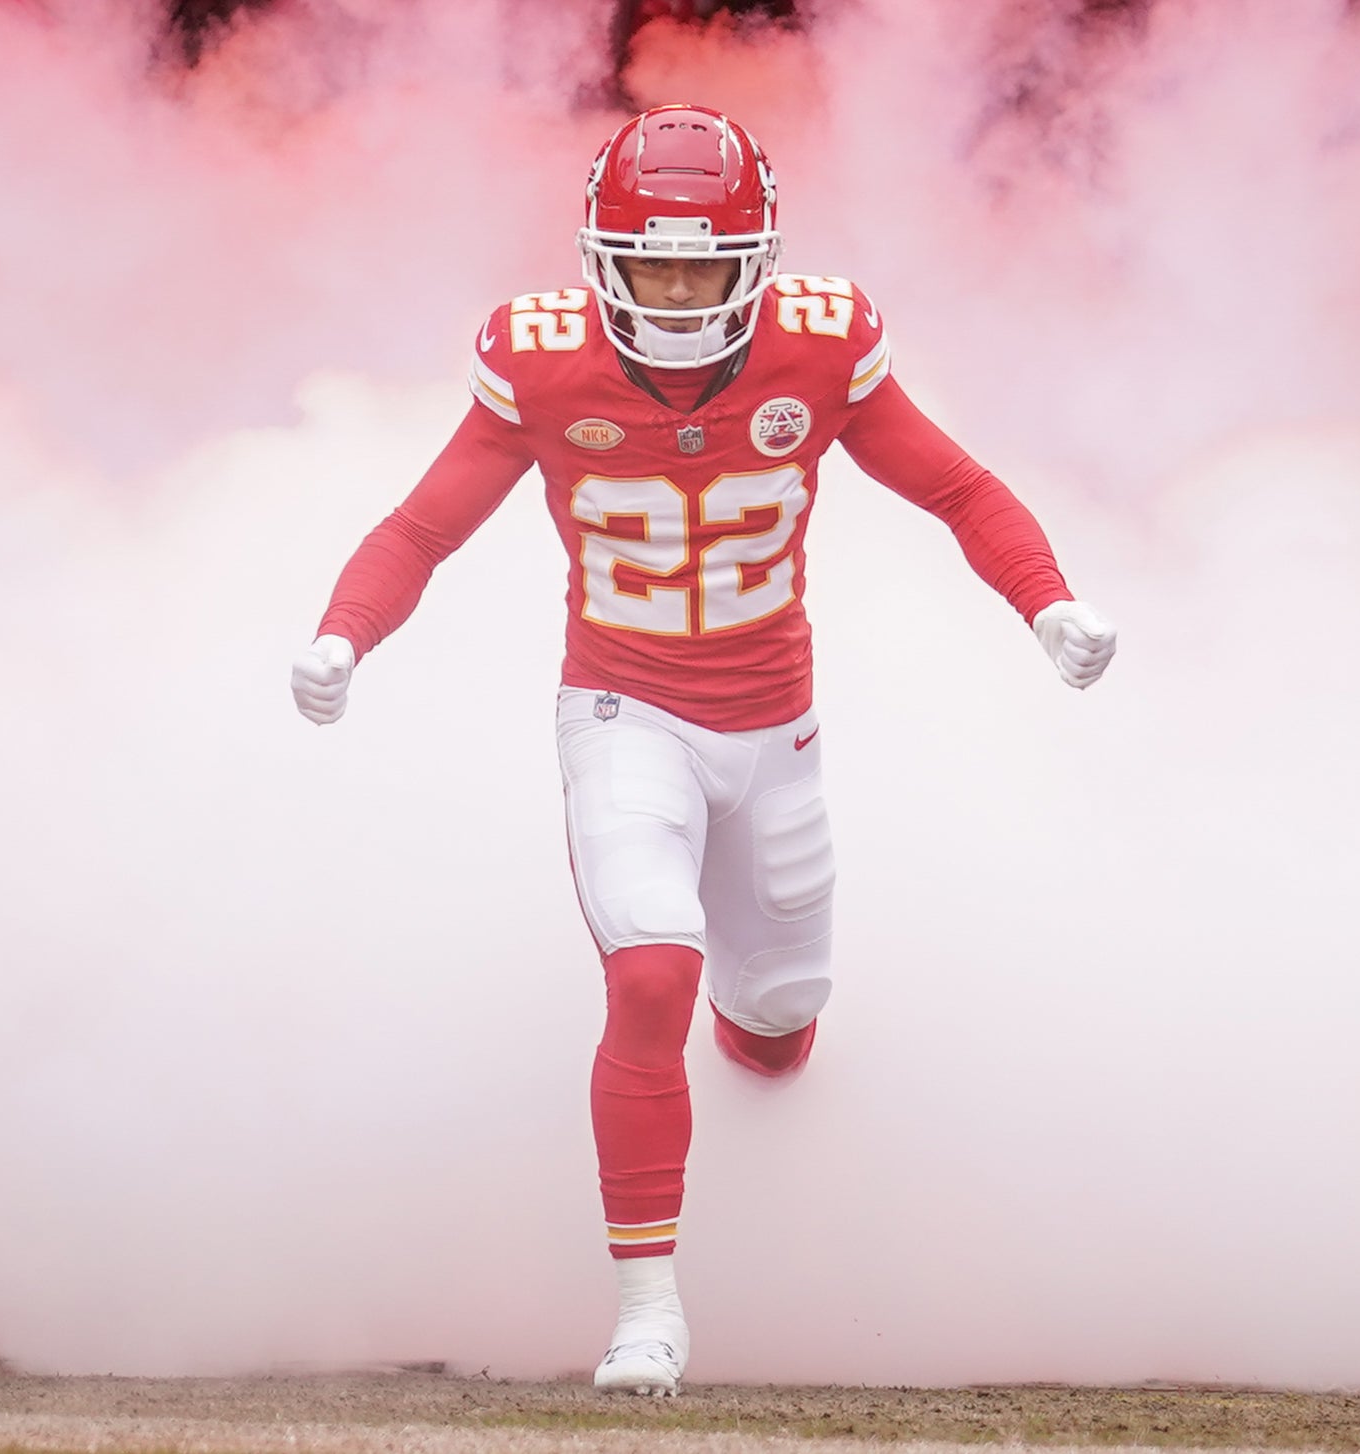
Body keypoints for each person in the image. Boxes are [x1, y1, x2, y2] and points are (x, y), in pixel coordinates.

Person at [290, 102, 1115, 1397]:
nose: (675, 292)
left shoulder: (822, 347)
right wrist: (344, 636)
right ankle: (646, 1311)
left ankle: (777, 1130)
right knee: (652, 970)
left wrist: (1046, 599)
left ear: (759, 263)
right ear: (599, 259)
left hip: (774, 731)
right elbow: (419, 528)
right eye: (651, 262)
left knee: (778, 1016)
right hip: (623, 715)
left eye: (701, 265)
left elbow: (958, 488)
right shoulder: (540, 362)